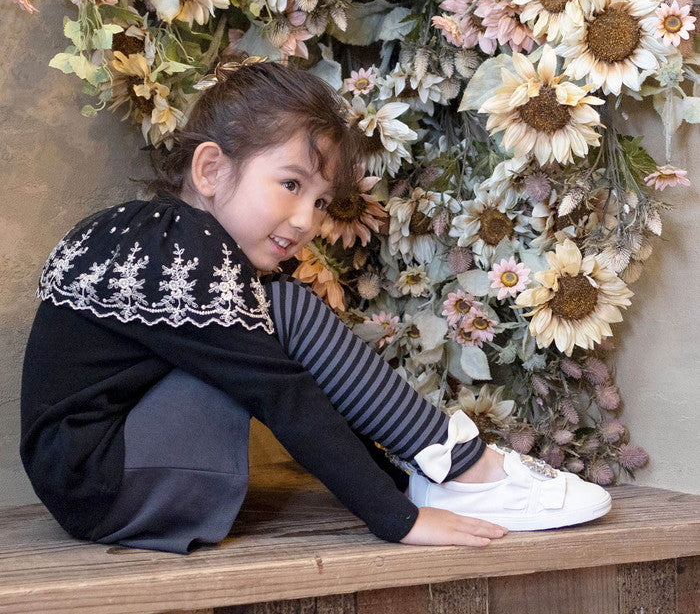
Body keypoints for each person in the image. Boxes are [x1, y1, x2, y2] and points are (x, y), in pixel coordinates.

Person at [20, 60, 611, 555]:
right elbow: (280, 393)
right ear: (210, 169)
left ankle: (444, 469)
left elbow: (291, 382)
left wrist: (397, 487)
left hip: (99, 477)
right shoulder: (181, 243)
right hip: (107, 483)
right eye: (291, 185)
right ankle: (461, 467)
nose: (307, 221)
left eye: (322, 201)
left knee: (274, 307)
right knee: (279, 305)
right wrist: (396, 518)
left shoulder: (150, 234)